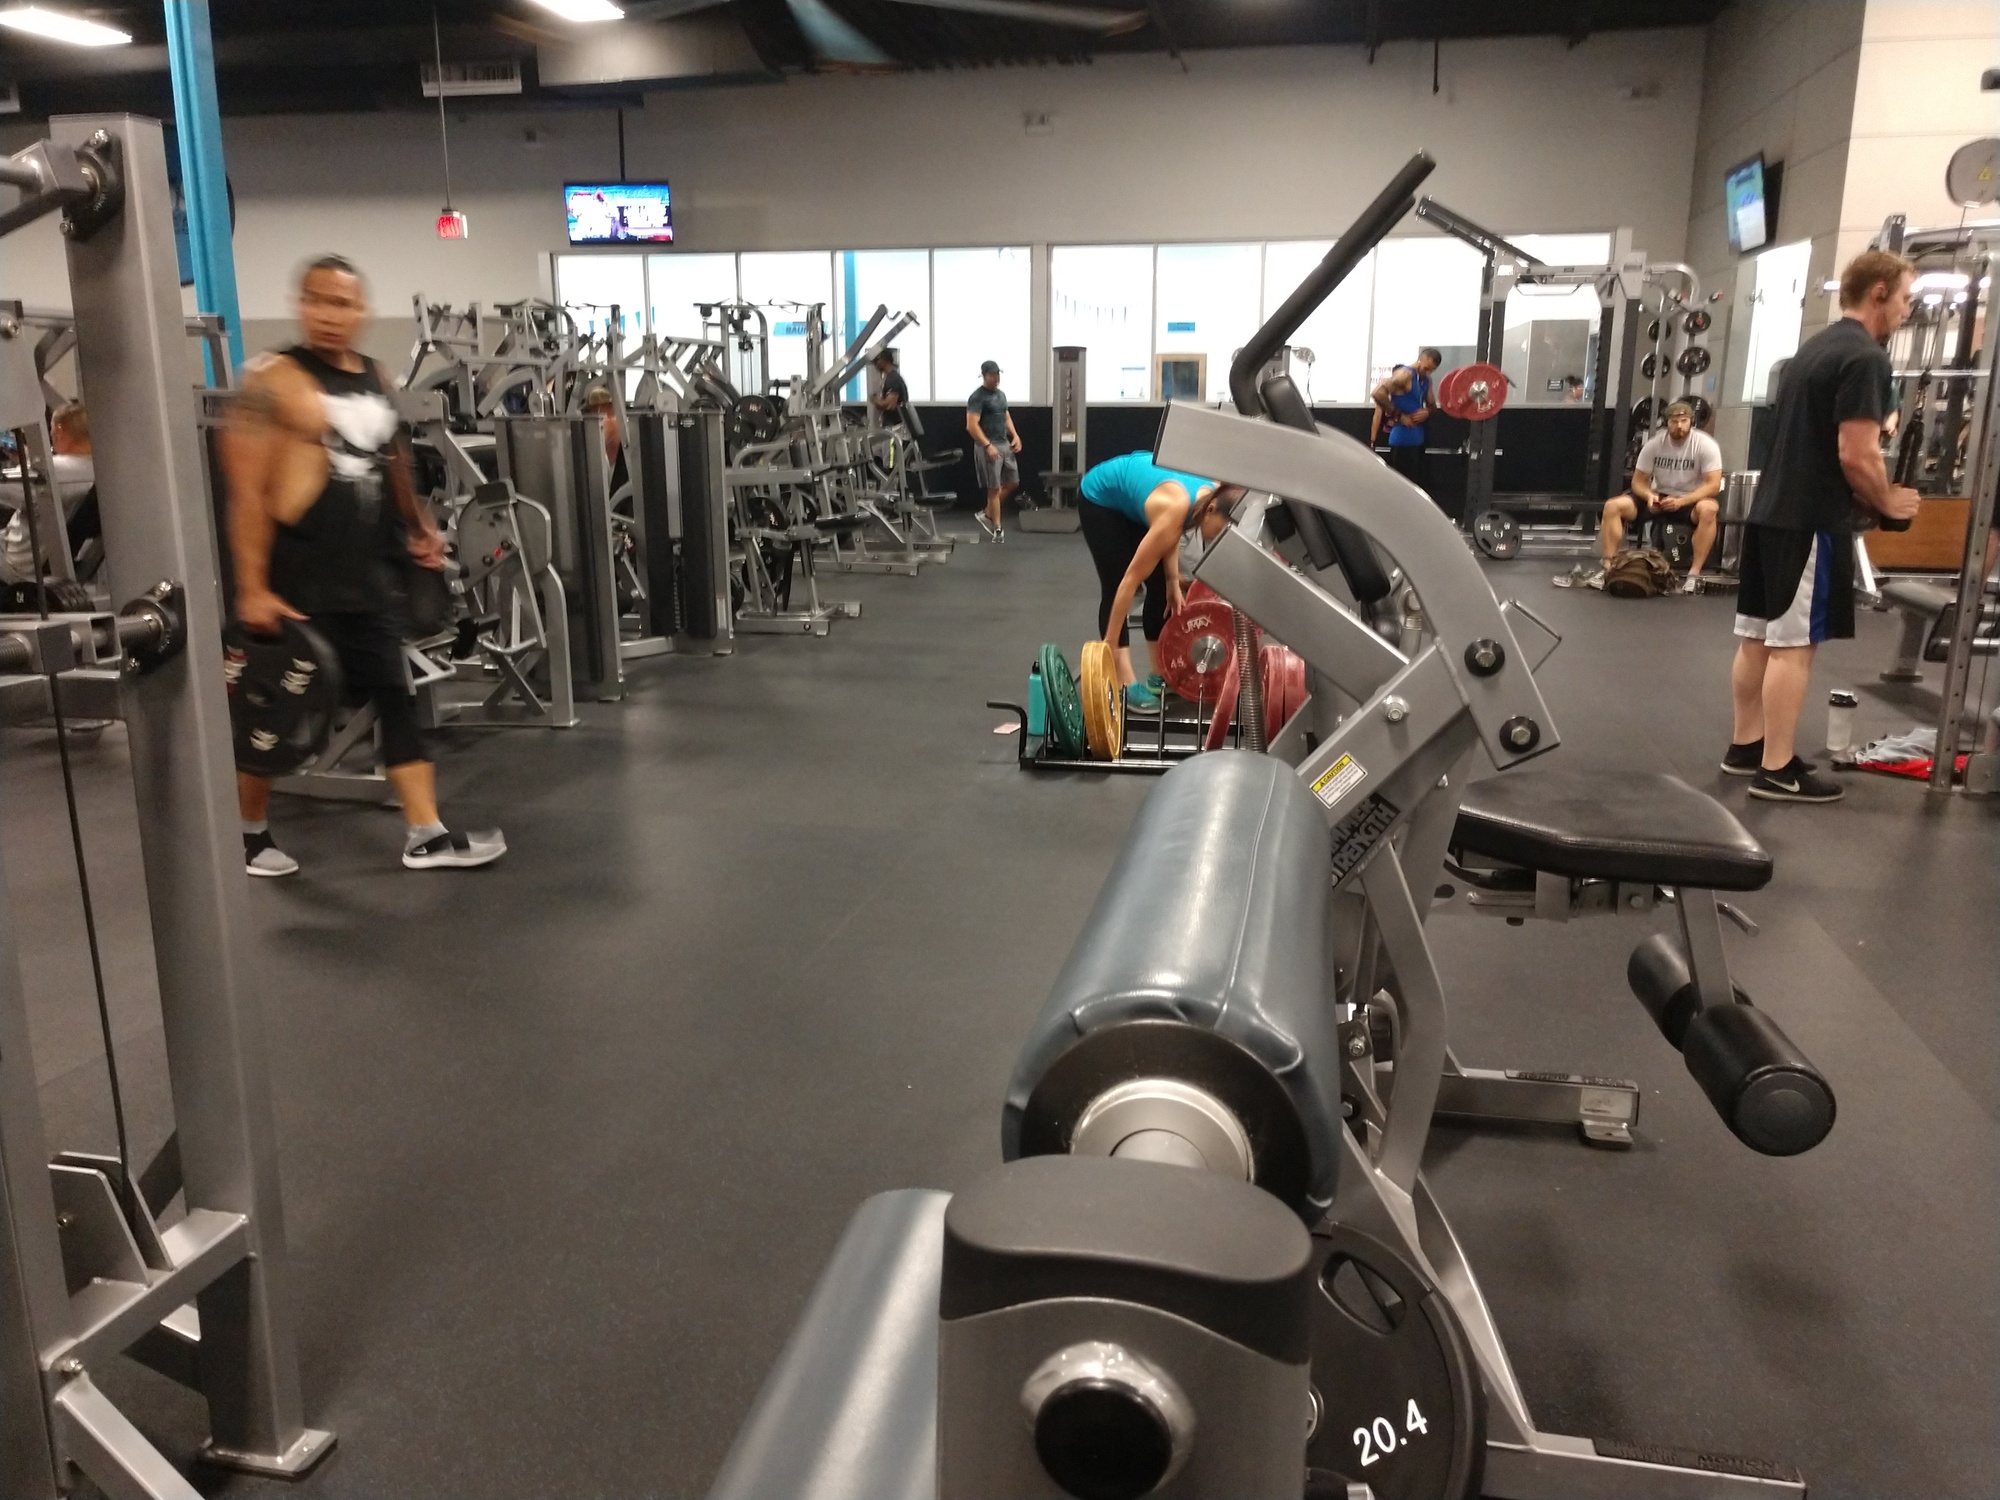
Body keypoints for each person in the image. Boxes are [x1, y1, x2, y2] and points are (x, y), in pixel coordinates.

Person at [225, 254, 506, 873]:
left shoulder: (375, 376)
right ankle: (248, 834)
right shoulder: (272, 380)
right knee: (273, 707)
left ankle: (425, 833)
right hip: (296, 573)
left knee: (395, 694)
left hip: (365, 574)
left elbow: (393, 456)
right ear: (301, 306)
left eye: (342, 303)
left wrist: (420, 528)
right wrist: (251, 589)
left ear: (362, 311)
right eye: (318, 301)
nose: (330, 314)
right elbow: (245, 493)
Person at [1724, 249, 1919, 804]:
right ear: (1879, 292)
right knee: (1795, 646)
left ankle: (1746, 746)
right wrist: (1888, 501)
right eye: (1905, 298)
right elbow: (1857, 454)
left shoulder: (1813, 349)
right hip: (1809, 520)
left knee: (1758, 637)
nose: (1908, 310)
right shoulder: (1865, 357)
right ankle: (1777, 770)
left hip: (1769, 512)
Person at [1079, 449, 1245, 713]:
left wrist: (1171, 580)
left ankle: (1160, 675)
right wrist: (1108, 643)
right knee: (1118, 581)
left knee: (1162, 590)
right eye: (1221, 529)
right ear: (1211, 510)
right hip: (1102, 498)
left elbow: (1174, 530)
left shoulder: (1212, 493)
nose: (1218, 537)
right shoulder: (1178, 508)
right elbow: (1129, 582)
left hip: (1144, 499)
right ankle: (1124, 682)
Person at [1597, 399, 1724, 592]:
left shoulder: (1706, 445)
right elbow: (1638, 482)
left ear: (1691, 421)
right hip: (1658, 497)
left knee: (1709, 509)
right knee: (1612, 506)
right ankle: (1609, 568)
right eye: (1674, 421)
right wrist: (1649, 495)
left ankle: (1694, 574)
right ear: (1666, 423)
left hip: (1689, 499)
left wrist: (1682, 501)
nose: (1679, 425)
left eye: (1684, 420)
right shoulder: (1654, 445)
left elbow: (1713, 485)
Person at [965, 359, 1020, 541]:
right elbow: (971, 425)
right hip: (988, 445)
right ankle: (997, 529)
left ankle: (988, 512)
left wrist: (1015, 435)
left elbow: (1006, 416)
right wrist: (987, 445)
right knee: (994, 489)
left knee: (1012, 482)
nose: (996, 378)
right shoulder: (977, 397)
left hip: (1004, 443)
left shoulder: (1001, 395)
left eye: (997, 375)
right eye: (992, 375)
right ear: (984, 376)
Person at [1371, 348, 1439, 489]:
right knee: (1400, 487)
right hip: (1402, 441)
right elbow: (1377, 393)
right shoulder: (1404, 375)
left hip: (1418, 440)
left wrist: (1427, 412)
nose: (1427, 372)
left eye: (1431, 370)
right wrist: (1399, 416)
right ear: (1420, 359)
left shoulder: (1426, 380)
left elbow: (1432, 405)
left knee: (1416, 486)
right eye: (1426, 368)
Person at [872, 349, 910, 430]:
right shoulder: (891, 378)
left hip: (894, 428)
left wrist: (875, 400)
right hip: (893, 427)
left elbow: (890, 405)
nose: (875, 365)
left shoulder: (893, 379)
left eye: (876, 361)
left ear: (884, 359)